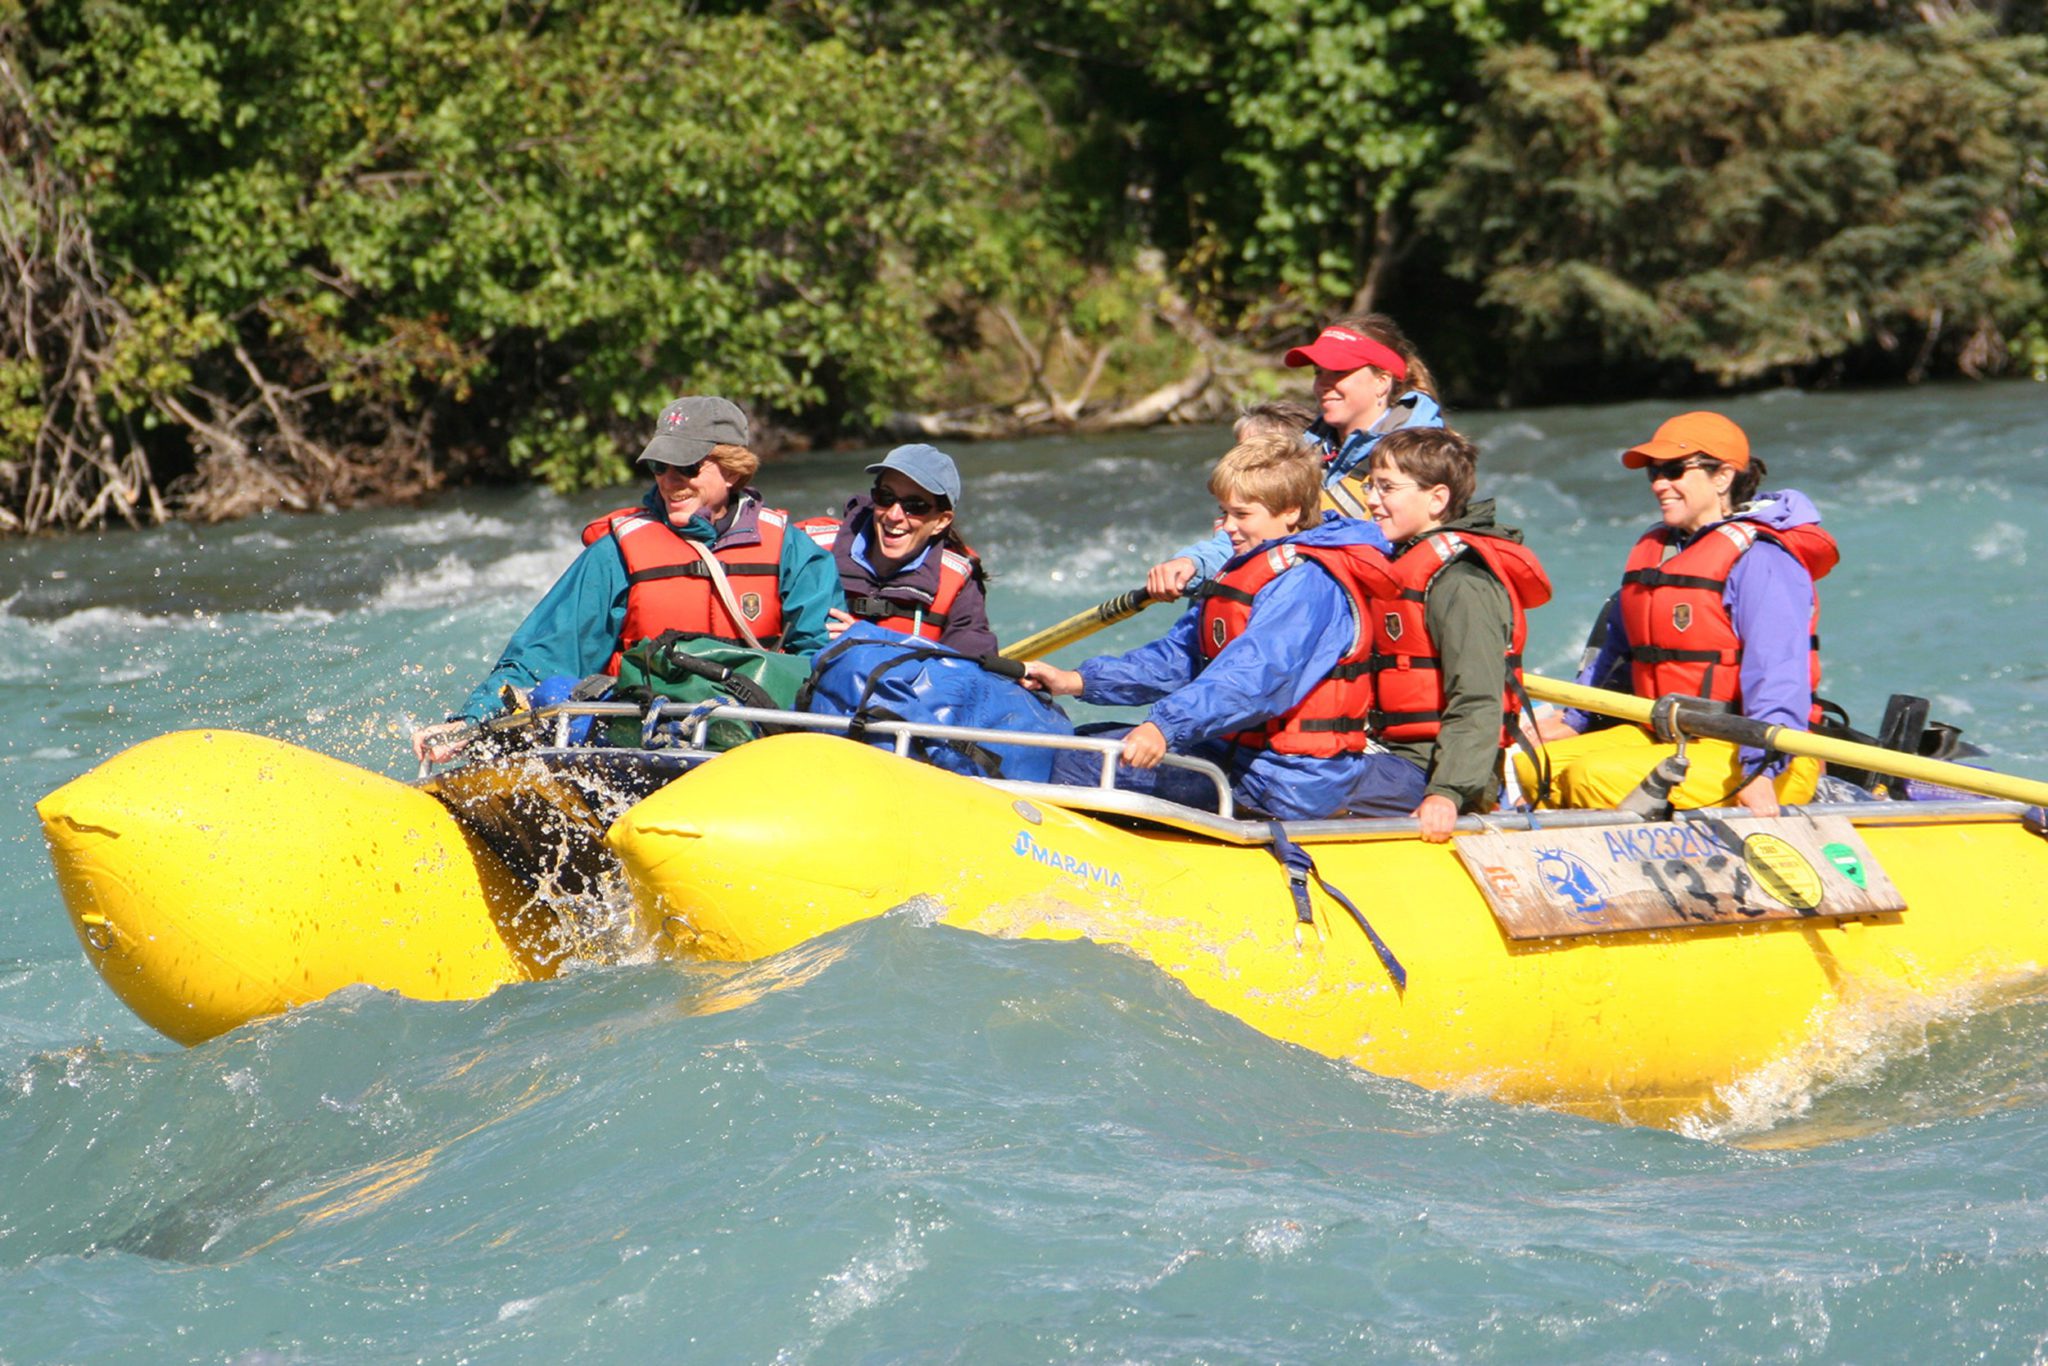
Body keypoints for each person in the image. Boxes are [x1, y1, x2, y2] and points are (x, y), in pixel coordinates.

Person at [411, 396, 842, 762]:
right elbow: (543, 654)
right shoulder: (617, 552)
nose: (670, 481)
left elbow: (820, 664)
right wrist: (470, 722)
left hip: (752, 746)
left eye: (686, 467)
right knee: (556, 692)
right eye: (659, 466)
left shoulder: (791, 550)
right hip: (646, 744)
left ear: (731, 470)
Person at [1022, 433, 1389, 822]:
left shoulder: (1308, 584)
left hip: (1284, 778)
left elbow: (1253, 679)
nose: (1227, 527)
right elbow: (1178, 659)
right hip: (1237, 755)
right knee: (1085, 740)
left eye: (1242, 515)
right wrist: (1076, 681)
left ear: (1291, 512)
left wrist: (1164, 727)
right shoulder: (1251, 567)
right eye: (1224, 512)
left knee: (1079, 764)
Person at [1521, 411, 1838, 817]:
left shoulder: (1762, 559)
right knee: (1532, 766)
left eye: (1674, 471)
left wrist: (1761, 770)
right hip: (1672, 735)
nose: (1659, 484)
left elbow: (1777, 674)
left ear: (1722, 477)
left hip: (1763, 751)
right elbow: (1615, 655)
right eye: (1654, 472)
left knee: (1592, 777)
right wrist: (1574, 721)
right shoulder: (1662, 553)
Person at [1346, 428, 1553, 842]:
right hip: (1387, 751)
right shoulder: (1396, 562)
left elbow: (1478, 698)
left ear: (1437, 499)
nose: (1371, 500)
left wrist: (1447, 792)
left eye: (1387, 487)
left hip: (1435, 771)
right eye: (1371, 485)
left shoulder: (1462, 583)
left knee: (1300, 791)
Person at [1145, 314, 1442, 600]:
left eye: (1339, 372)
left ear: (1382, 381)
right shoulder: (1307, 448)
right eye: (1318, 373)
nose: (1323, 385)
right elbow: (1251, 529)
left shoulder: (1422, 455)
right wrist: (1193, 564)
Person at [799, 443, 996, 655]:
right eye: (886, 497)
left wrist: (879, 645)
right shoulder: (811, 545)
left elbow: (968, 668)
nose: (894, 515)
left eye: (914, 506)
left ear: (941, 521)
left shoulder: (961, 582)